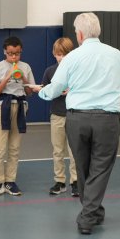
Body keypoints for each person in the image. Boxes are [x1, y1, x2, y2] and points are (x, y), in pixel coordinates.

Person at [32, 13, 120, 235]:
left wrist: (41, 92)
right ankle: (92, 211)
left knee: (83, 166)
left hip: (77, 119)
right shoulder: (116, 55)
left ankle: (88, 215)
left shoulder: (72, 58)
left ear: (81, 34)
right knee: (101, 167)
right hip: (107, 119)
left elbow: (55, 89)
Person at [0, 36, 36, 198]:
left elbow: (29, 92)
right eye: (10, 54)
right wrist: (8, 76)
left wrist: (24, 79)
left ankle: (10, 181)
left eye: (17, 54)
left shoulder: (26, 66)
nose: (14, 57)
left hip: (20, 106)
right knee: (0, 147)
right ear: (4, 52)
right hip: (3, 106)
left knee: (14, 147)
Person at [42, 37, 78, 197]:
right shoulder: (50, 71)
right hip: (57, 115)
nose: (61, 57)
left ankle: (76, 181)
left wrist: (72, 91)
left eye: (64, 54)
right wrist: (50, 90)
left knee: (75, 150)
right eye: (58, 54)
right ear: (54, 54)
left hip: (74, 115)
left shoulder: (78, 70)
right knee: (58, 150)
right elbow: (45, 91)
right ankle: (60, 181)